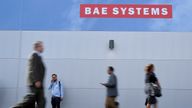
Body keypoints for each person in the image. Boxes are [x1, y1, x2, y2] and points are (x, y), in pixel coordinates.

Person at [12, 41, 46, 108]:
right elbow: (33, 68)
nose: (43, 48)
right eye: (42, 46)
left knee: (41, 102)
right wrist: (36, 80)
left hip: (39, 84)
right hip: (35, 83)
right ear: (37, 47)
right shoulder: (34, 55)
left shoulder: (38, 57)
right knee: (30, 100)